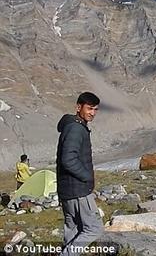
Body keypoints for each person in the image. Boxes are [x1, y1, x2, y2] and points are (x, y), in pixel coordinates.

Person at [56, 92, 104, 256]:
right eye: (90, 108)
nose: (93, 113)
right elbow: (68, 159)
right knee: (94, 228)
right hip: (78, 191)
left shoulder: (72, 126)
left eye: (96, 109)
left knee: (73, 230)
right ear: (78, 107)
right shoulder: (76, 128)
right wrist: (87, 177)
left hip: (68, 191)